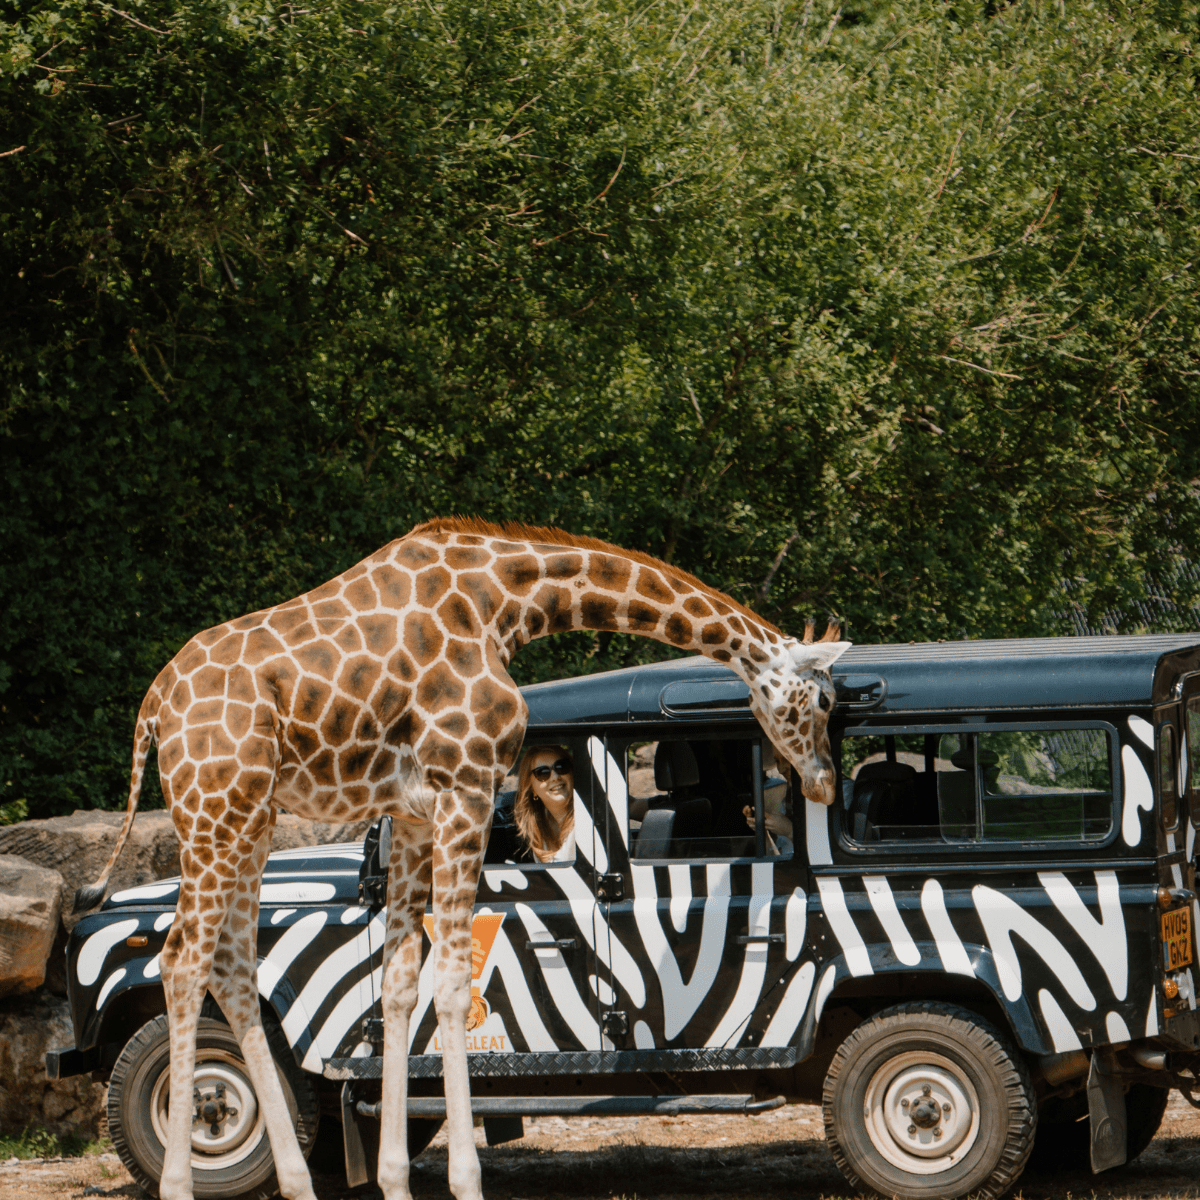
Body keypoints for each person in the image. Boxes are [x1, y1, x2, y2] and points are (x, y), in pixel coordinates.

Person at [513, 745, 576, 863]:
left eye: (561, 767)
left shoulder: (586, 821)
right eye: (543, 772)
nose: (555, 777)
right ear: (532, 788)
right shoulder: (538, 827)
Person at [743, 744, 794, 855]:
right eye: (777, 761)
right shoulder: (784, 799)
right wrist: (763, 830)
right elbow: (773, 858)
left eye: (786, 759)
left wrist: (789, 831)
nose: (781, 769)